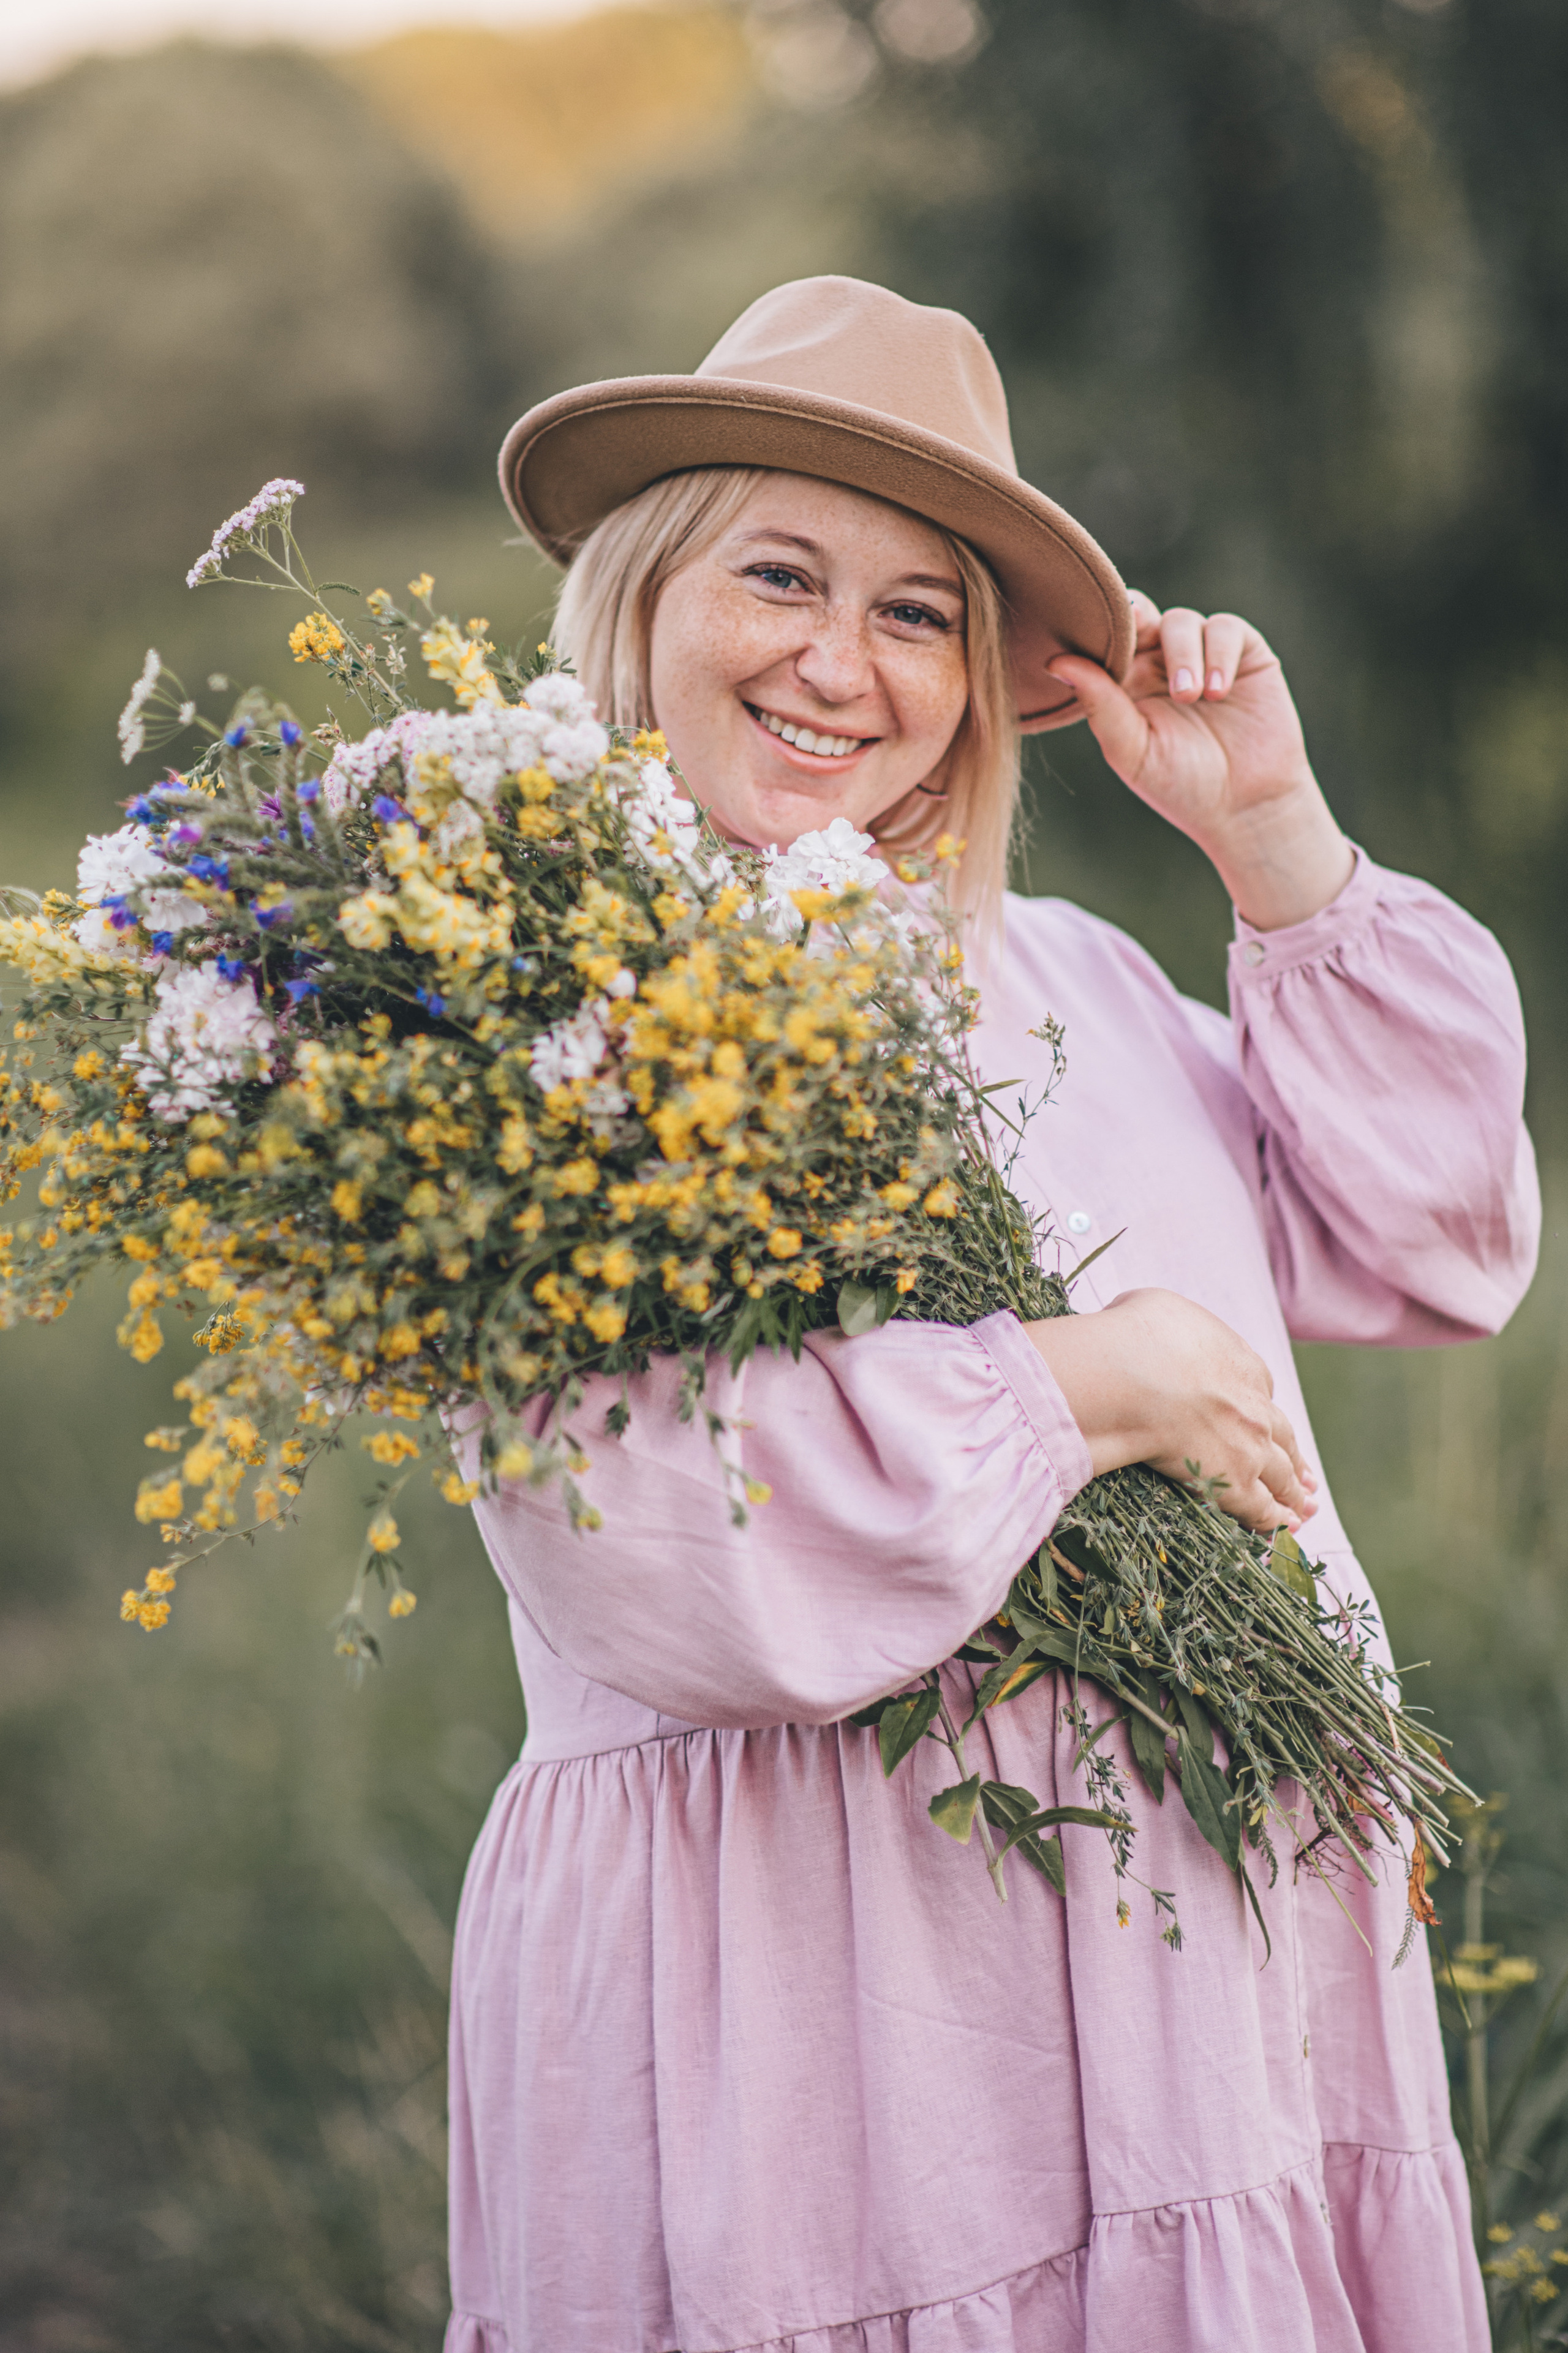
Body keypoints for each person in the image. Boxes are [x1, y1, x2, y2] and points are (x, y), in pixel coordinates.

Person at [443, 277, 1539, 2352]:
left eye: (920, 612)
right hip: (828, 2033)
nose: (839, 665)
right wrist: (1081, 1388)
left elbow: (1435, 1243)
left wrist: (1270, 838)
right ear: (650, 604)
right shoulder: (539, 1012)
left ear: (976, 681)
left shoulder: (1073, 986)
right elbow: (663, 1551)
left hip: (1203, 2006)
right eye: (780, 574)